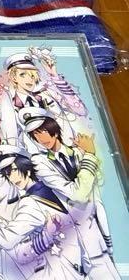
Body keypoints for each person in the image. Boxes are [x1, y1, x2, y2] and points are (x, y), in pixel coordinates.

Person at [0, 148, 84, 280]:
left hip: (60, 269)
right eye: (7, 173)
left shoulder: (30, 202)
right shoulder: (48, 189)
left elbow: (7, 239)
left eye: (14, 170)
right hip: (72, 263)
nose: (12, 177)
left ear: (27, 169)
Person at [24, 110, 118, 280]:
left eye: (43, 131)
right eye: (35, 135)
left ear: (54, 130)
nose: (41, 138)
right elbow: (78, 194)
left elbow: (99, 181)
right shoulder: (40, 162)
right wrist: (90, 156)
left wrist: (87, 154)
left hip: (98, 224)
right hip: (76, 231)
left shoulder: (79, 152)